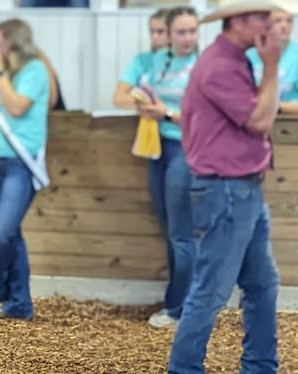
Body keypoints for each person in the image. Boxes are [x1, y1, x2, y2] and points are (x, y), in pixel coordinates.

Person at [166, 0, 298, 374]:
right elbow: (262, 121)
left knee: (262, 284)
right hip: (226, 190)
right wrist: (271, 65)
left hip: (242, 189)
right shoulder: (220, 67)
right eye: (264, 17)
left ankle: (259, 373)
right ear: (240, 20)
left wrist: (266, 64)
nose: (273, 24)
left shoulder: (232, 59)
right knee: (211, 289)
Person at [115, 6, 201, 330]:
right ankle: (182, 300)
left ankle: (180, 308)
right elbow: (129, 95)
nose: (187, 38)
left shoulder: (201, 64)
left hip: (186, 147)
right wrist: (145, 105)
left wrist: (166, 114)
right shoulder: (157, 60)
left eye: (192, 31)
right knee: (170, 229)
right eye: (181, 32)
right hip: (157, 146)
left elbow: (203, 116)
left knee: (181, 234)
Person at [0, 19, 51, 322]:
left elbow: (16, 107)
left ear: (13, 42)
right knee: (11, 234)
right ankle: (19, 303)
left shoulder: (35, 70)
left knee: (4, 233)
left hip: (21, 163)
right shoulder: (8, 73)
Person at [248, 9, 298, 115]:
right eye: (277, 21)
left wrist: (276, 107)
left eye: (289, 21)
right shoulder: (249, 54)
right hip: (252, 119)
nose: (284, 26)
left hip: (290, 122)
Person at [111, 8, 173, 110]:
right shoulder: (140, 60)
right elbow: (118, 98)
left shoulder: (184, 60)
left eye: (160, 32)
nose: (154, 37)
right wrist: (145, 100)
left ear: (172, 32)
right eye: (151, 32)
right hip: (147, 119)